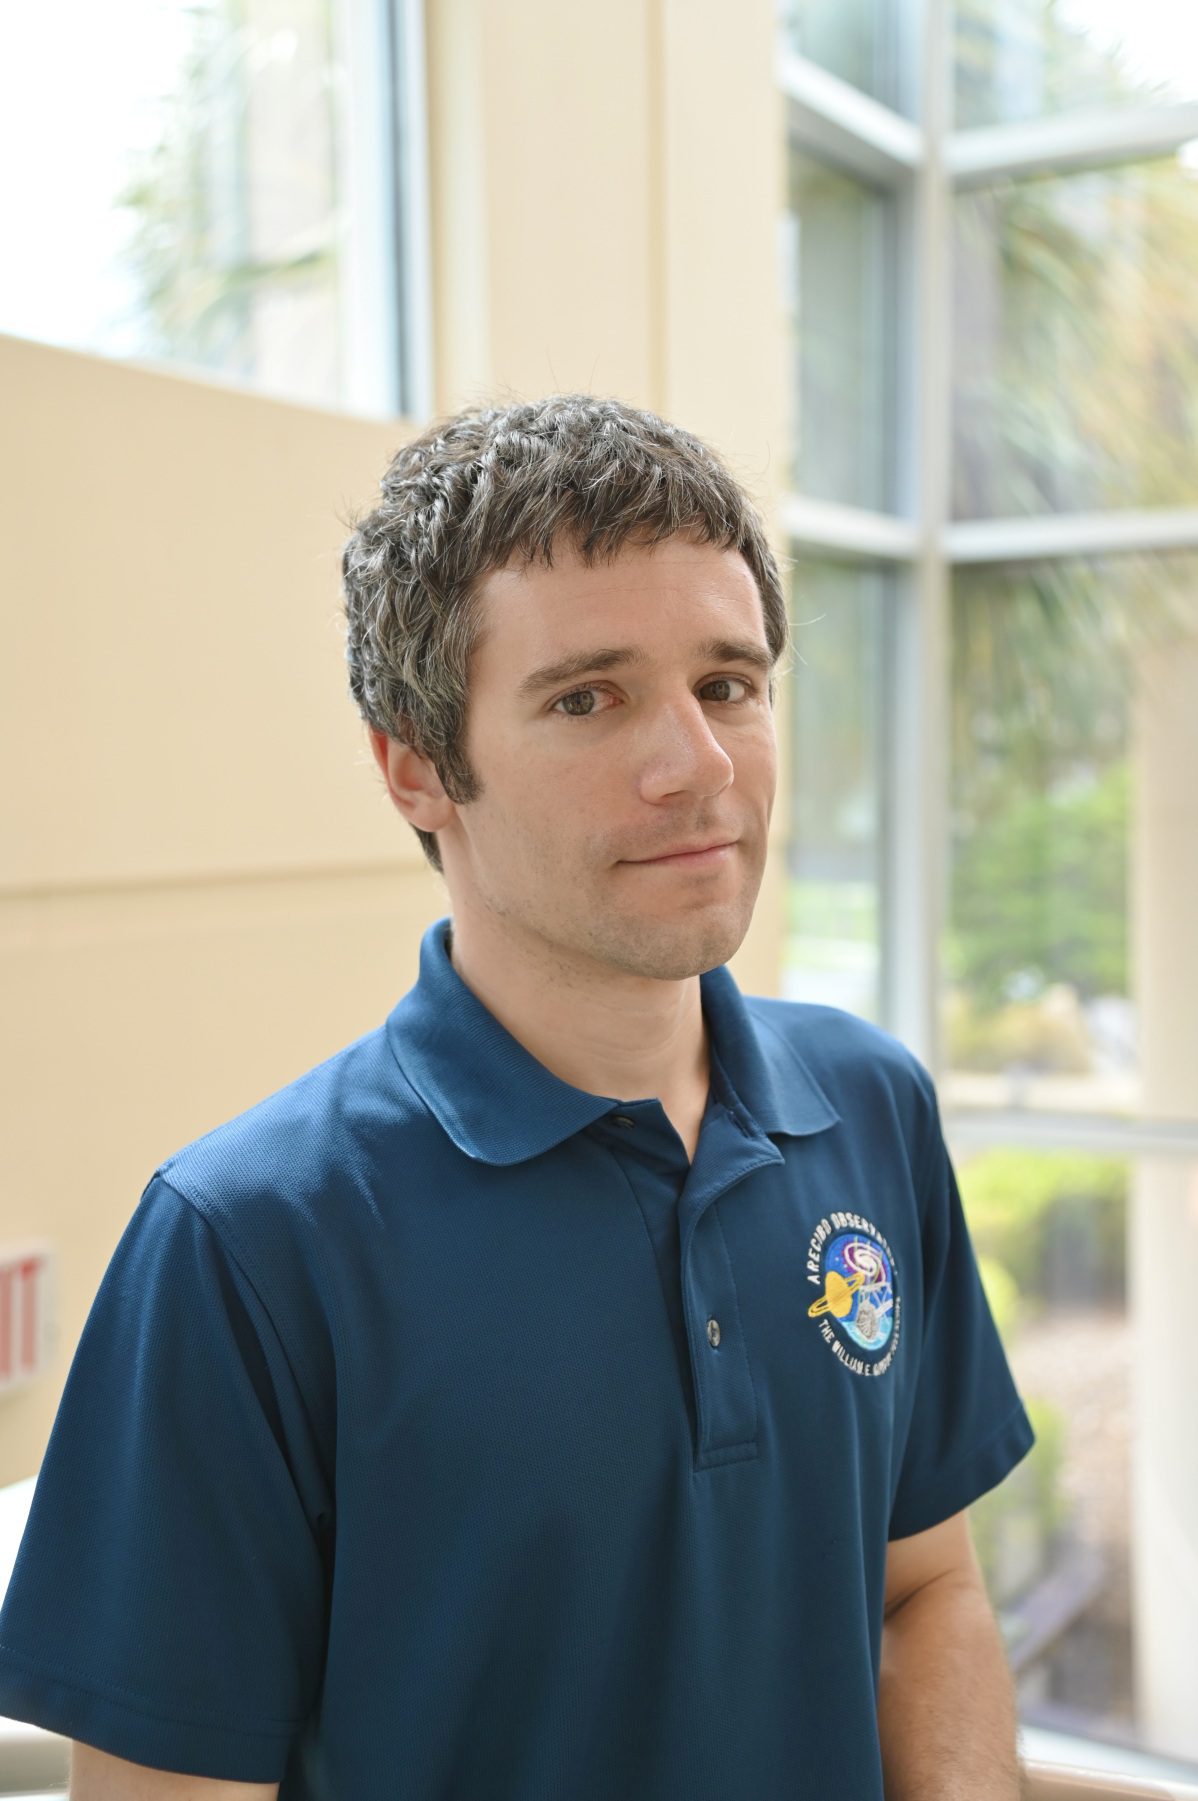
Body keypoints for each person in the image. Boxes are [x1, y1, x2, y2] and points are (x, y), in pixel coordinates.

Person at [0, 395, 1034, 1800]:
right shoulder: (243, 1243)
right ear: (416, 765)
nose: (698, 765)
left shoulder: (870, 1108)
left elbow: (925, 1590)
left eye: (726, 683)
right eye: (587, 698)